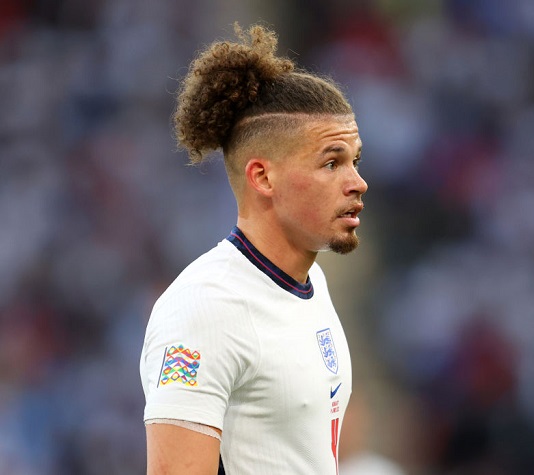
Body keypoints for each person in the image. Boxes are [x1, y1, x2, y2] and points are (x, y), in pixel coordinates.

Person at [139, 24, 367, 475]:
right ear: (263, 178)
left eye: (355, 161)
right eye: (331, 162)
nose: (357, 182)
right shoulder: (203, 309)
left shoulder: (311, 283)